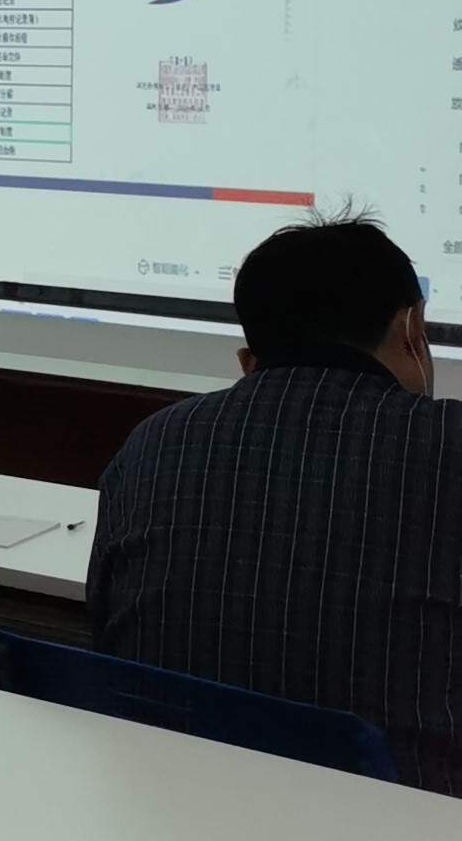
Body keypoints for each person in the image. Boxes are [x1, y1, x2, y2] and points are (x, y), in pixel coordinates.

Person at [90, 215, 461, 793]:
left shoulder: (154, 440)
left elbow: (103, 630)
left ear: (250, 355)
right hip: (405, 819)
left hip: (172, 800)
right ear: (410, 327)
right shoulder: (448, 442)